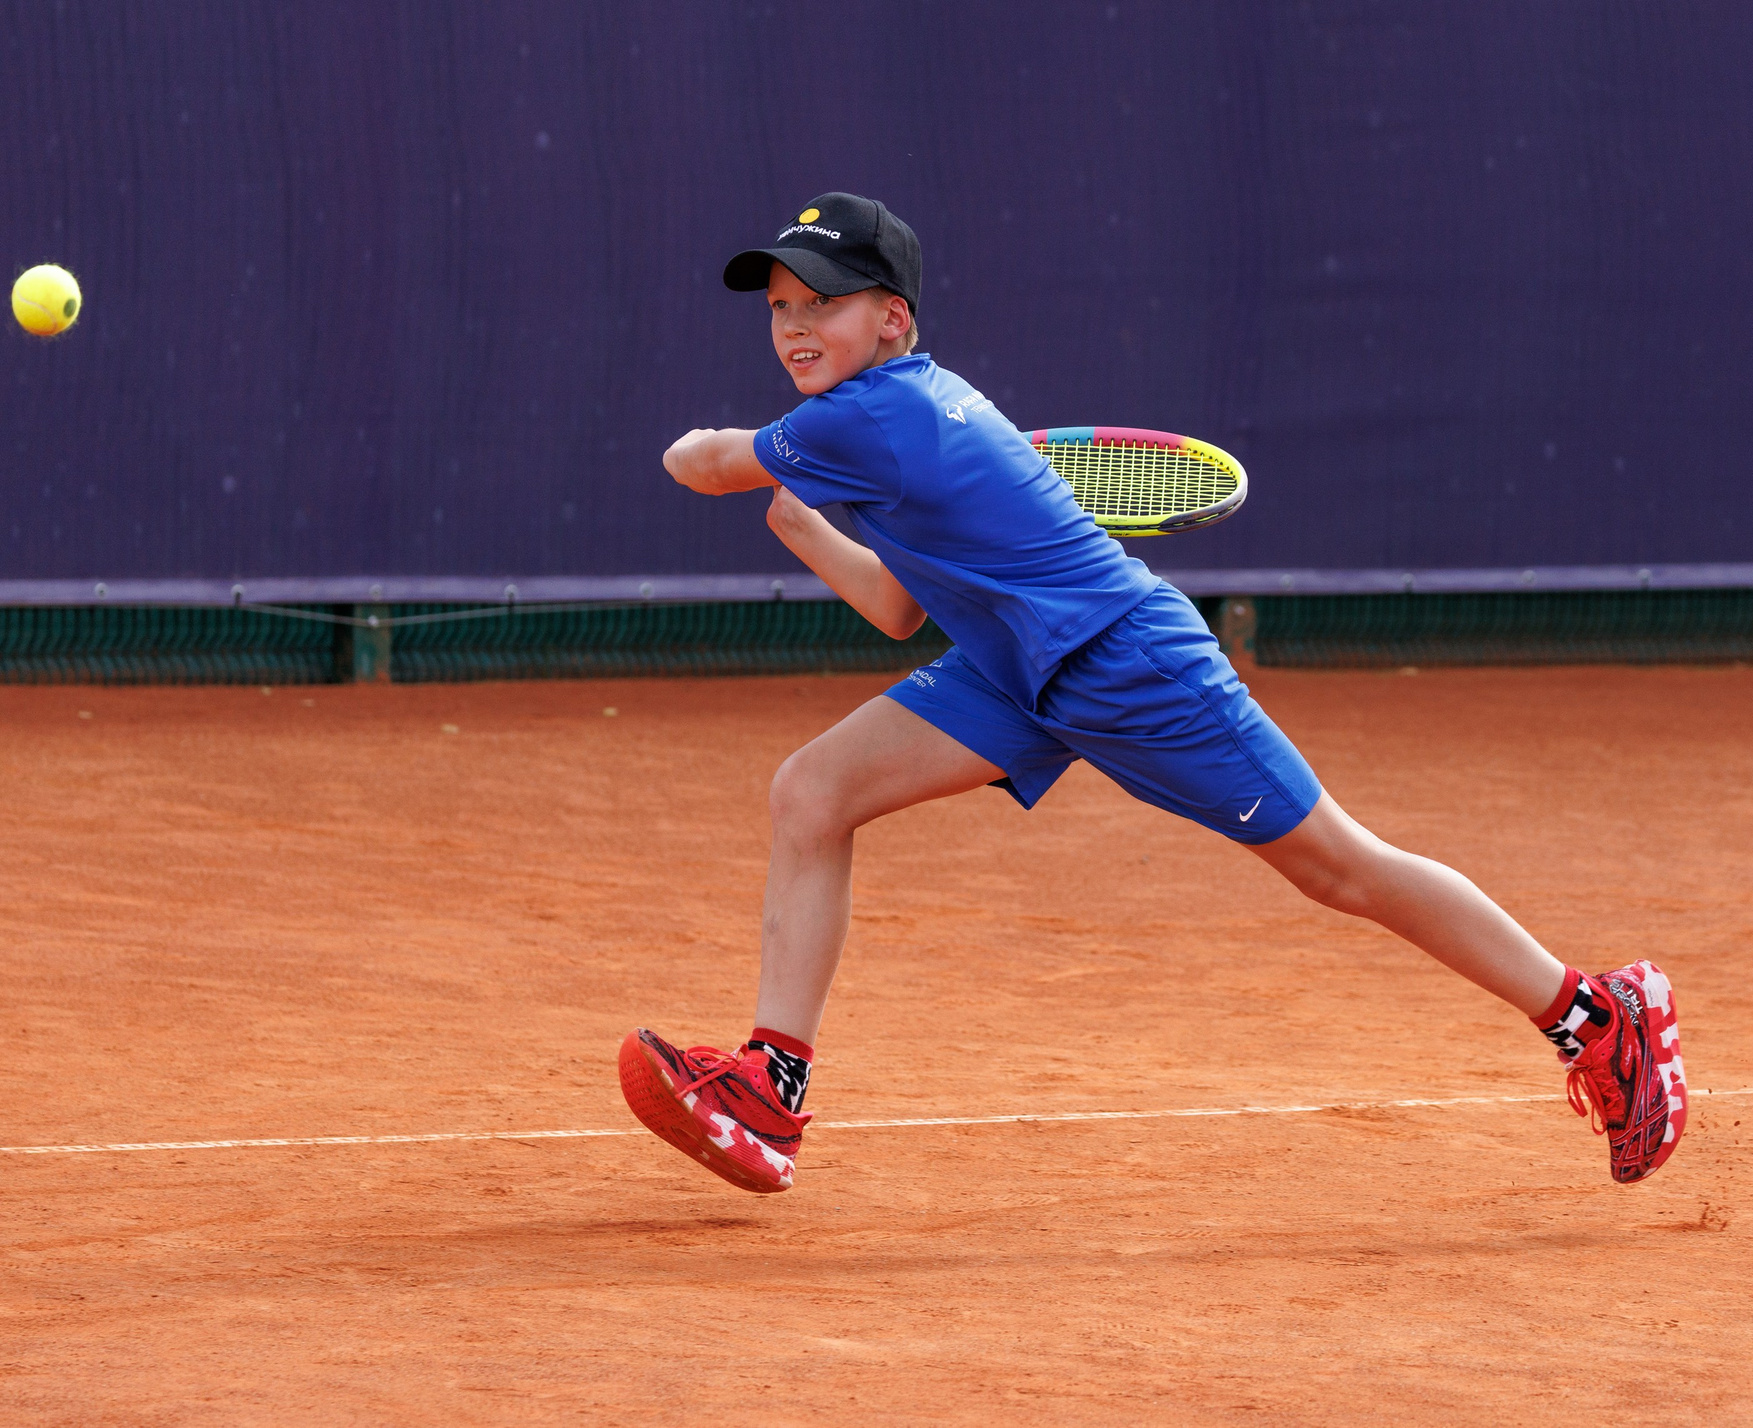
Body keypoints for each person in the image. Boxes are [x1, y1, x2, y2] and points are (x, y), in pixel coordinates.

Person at [618, 192, 1687, 1194]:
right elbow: (900, 606)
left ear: (891, 317)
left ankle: (1596, 1013)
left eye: (824, 302)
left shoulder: (866, 421)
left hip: (1127, 663)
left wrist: (712, 452)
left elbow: (705, 463)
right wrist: (808, 526)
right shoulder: (889, 417)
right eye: (780, 308)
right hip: (1012, 671)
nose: (795, 325)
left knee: (1339, 868)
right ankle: (772, 1087)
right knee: (811, 792)